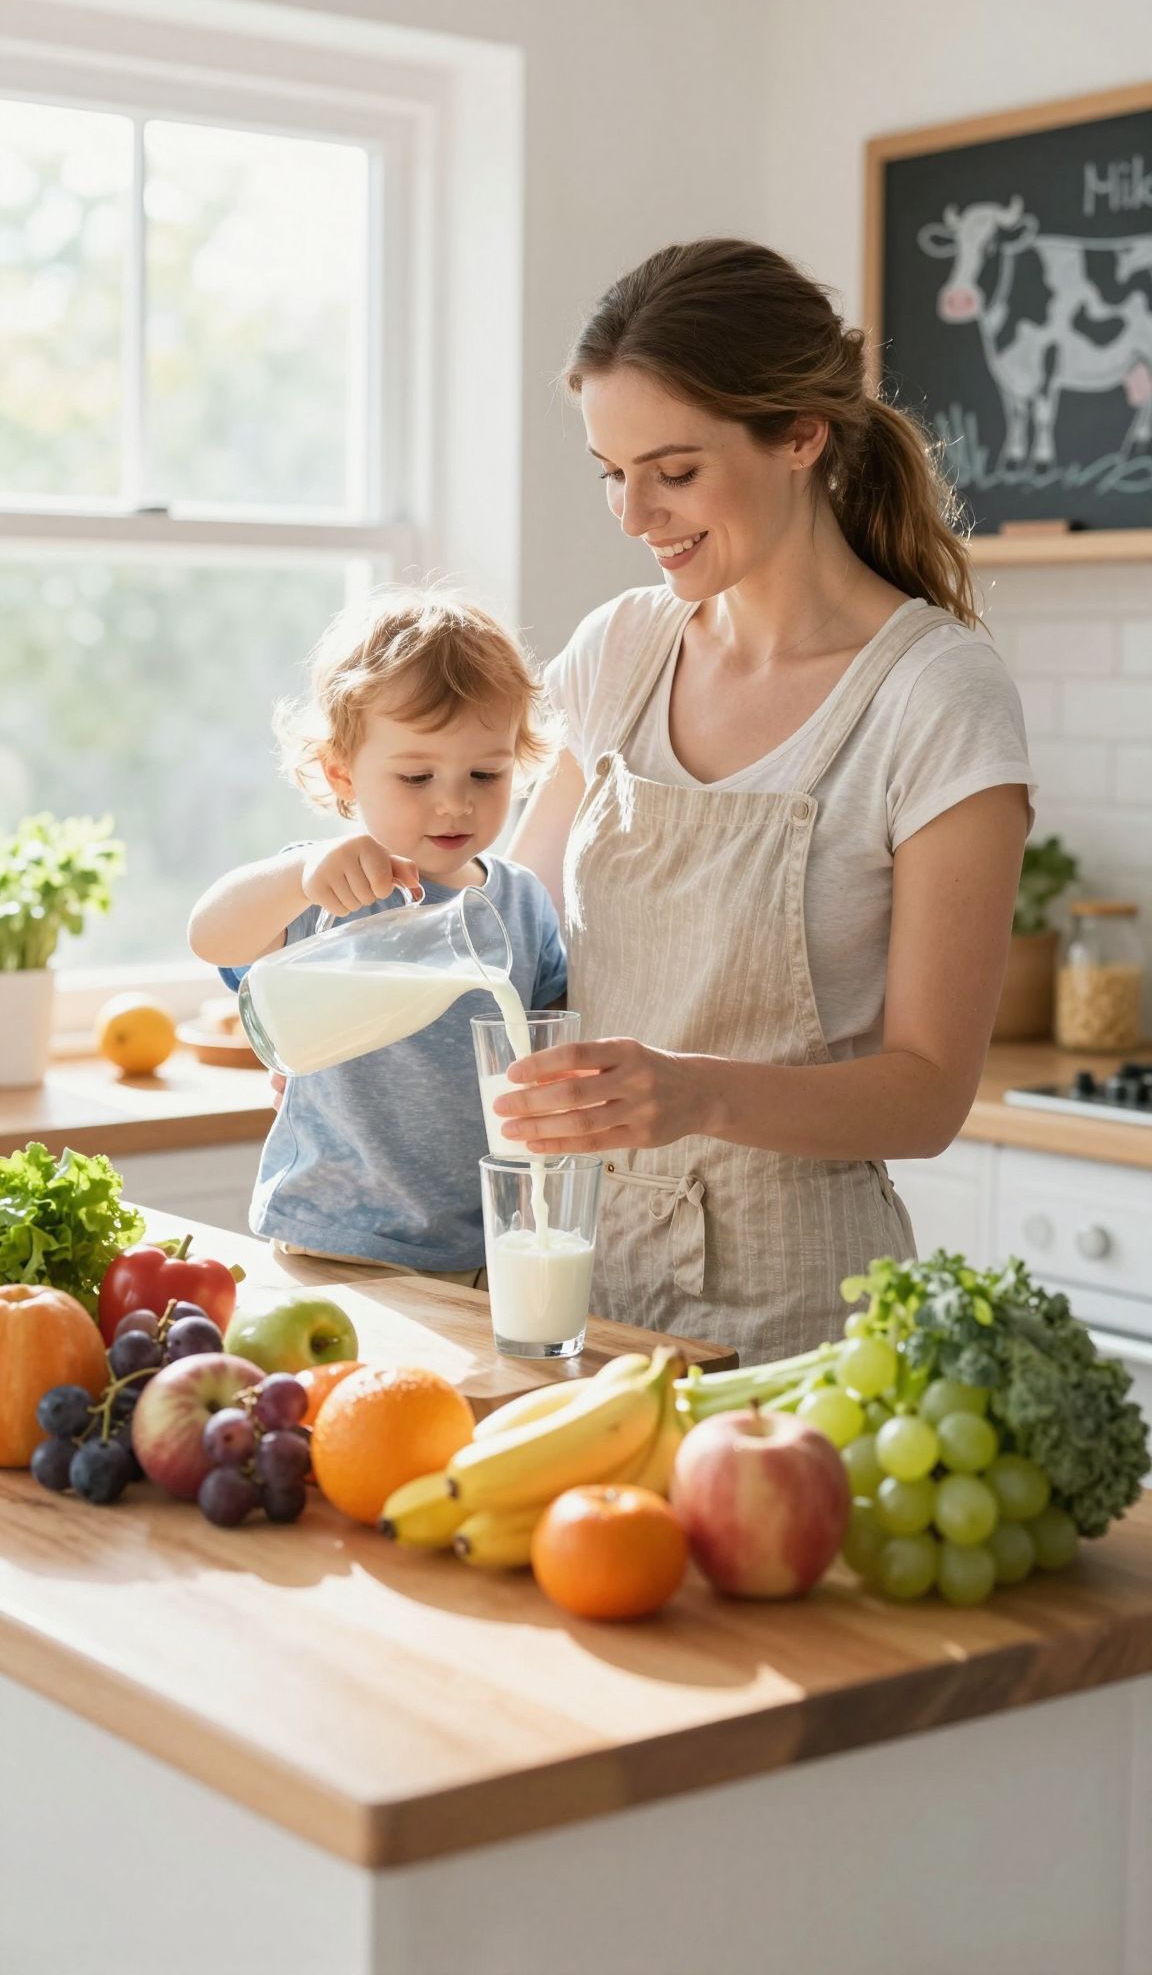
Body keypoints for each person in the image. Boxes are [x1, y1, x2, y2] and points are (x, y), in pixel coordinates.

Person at [502, 237, 1034, 1362]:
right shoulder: (623, 648)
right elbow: (516, 928)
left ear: (801, 436)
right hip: (578, 1281)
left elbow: (929, 1094)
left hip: (801, 1321)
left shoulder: (934, 693)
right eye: (610, 469)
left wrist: (693, 1094)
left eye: (674, 470)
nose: (633, 513)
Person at [188, 590, 566, 1284]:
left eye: (486, 773)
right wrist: (297, 874)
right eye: (417, 776)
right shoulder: (328, 885)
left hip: (482, 1253)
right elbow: (210, 935)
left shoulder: (521, 902)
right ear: (342, 773)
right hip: (332, 1240)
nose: (455, 801)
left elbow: (552, 1046)